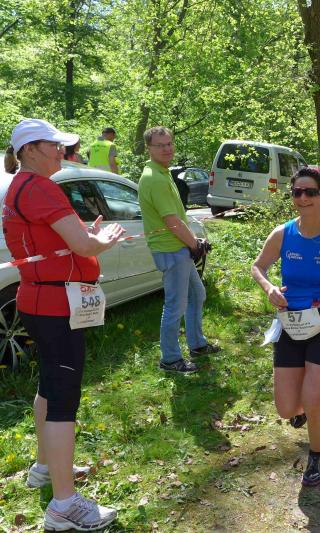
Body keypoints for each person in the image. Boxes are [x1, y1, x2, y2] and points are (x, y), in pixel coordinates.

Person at [3, 118, 125, 530]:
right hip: (55, 305)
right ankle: (64, 505)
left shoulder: (21, 185)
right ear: (29, 150)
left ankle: (44, 467)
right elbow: (85, 244)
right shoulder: (38, 187)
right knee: (62, 400)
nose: (63, 151)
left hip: (40, 299)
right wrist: (103, 240)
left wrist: (82, 239)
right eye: (54, 145)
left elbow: (55, 241)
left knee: (49, 385)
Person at [251, 167, 320, 486]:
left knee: (314, 400)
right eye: (297, 192)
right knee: (287, 408)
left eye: (310, 192)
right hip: (290, 323)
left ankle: (317, 454)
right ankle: (307, 415)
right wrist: (269, 288)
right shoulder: (282, 234)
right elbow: (258, 267)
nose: (302, 198)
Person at [138, 126, 219, 373]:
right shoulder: (154, 178)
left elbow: (178, 218)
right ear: (149, 148)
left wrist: (194, 243)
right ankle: (170, 359)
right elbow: (172, 222)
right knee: (175, 305)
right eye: (160, 145)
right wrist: (195, 245)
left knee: (197, 295)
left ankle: (197, 345)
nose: (167, 149)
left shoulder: (163, 173)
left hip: (179, 249)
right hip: (171, 251)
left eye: (169, 143)